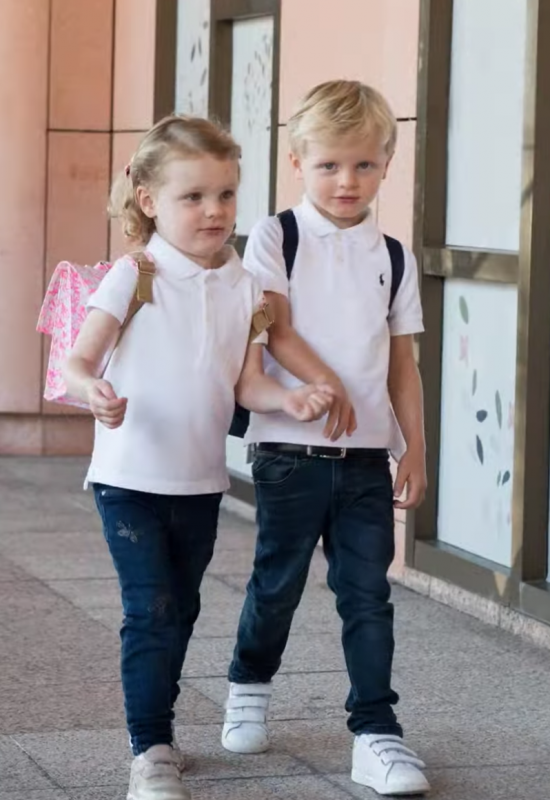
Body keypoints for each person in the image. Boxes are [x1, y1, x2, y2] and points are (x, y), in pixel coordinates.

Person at [62, 114, 332, 800]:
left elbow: (246, 381)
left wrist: (289, 399)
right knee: (149, 606)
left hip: (202, 481)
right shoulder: (137, 274)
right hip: (128, 478)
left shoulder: (242, 284)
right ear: (150, 200)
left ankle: (161, 734)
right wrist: (93, 390)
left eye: (225, 195)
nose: (214, 211)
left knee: (179, 608)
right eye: (193, 197)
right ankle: (149, 748)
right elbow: (78, 360)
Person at [221, 81, 430, 797]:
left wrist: (415, 449)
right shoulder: (276, 235)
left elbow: (403, 362)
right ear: (298, 161)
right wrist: (326, 384)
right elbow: (273, 323)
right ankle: (249, 682)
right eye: (331, 165)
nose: (348, 181)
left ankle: (377, 732)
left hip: (368, 459)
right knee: (275, 586)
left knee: (366, 593)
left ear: (386, 164)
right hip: (288, 452)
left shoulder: (395, 257)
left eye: (365, 166)